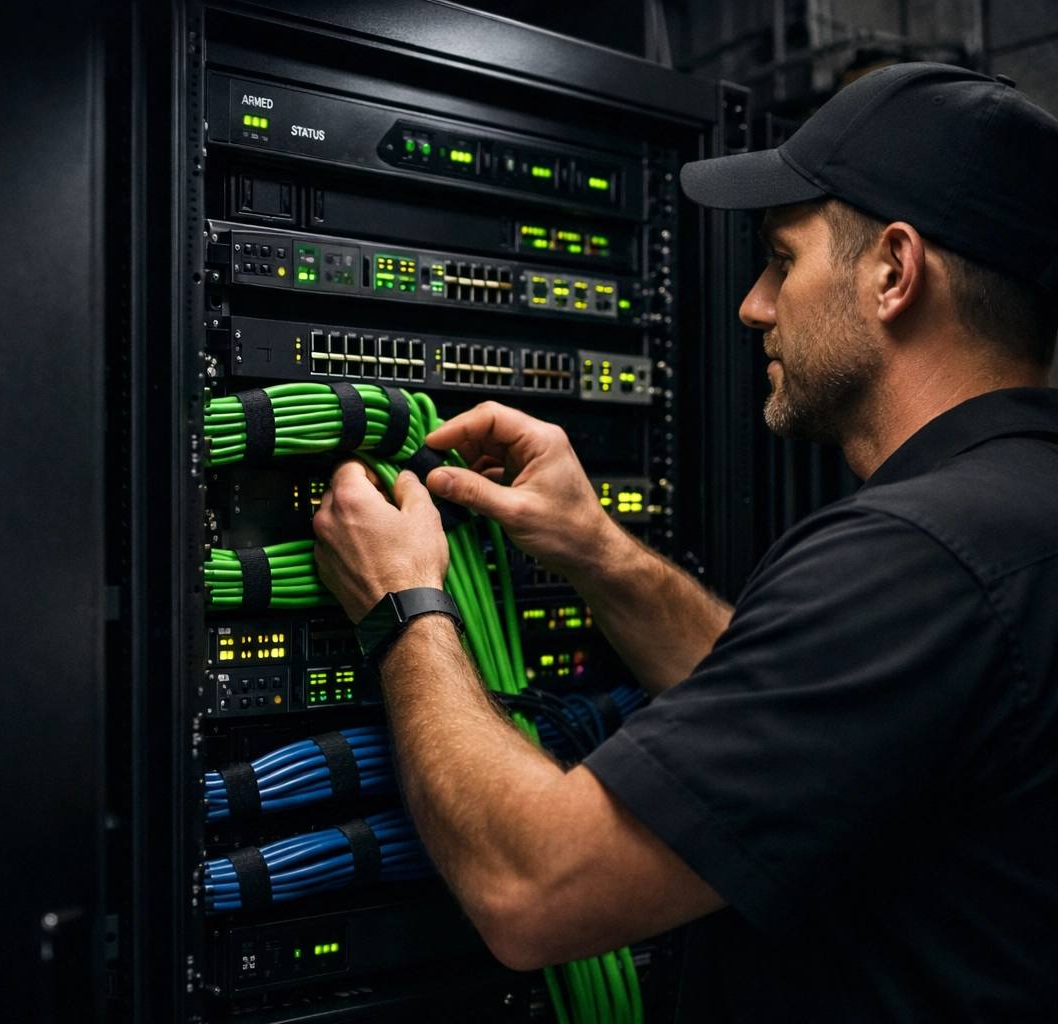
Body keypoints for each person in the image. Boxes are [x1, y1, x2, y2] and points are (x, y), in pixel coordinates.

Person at [311, 63, 1058, 1022]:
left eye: (782, 260)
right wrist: (597, 550)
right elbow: (813, 719)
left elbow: (532, 888)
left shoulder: (915, 557)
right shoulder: (1015, 523)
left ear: (893, 271)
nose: (753, 304)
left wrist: (403, 604)